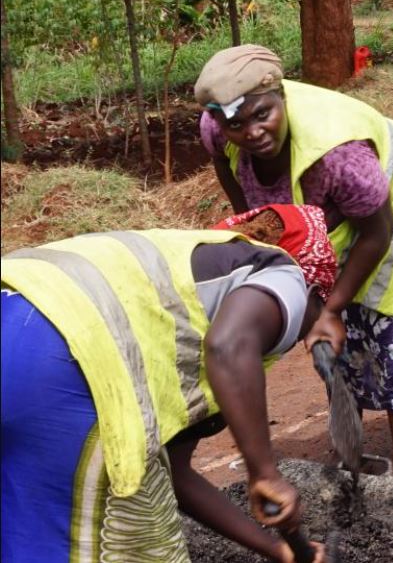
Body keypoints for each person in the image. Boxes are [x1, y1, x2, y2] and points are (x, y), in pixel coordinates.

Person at [1, 207, 339, 563]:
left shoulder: (179, 292)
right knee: (137, 538)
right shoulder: (284, 272)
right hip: (63, 356)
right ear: (315, 289)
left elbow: (177, 473)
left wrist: (280, 550)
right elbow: (228, 346)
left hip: (13, 309)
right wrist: (265, 473)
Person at [194, 45, 393, 477]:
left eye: (263, 115)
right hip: (330, 211)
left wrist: (329, 309)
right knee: (327, 312)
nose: (252, 132)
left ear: (282, 98)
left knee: (392, 321)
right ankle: (350, 438)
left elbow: (377, 233)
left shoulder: (340, 155)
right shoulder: (216, 126)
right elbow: (225, 166)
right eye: (237, 124)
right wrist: (250, 223)